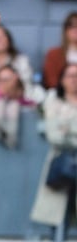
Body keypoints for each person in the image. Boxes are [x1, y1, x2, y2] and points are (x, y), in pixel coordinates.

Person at [31, 63, 77, 228]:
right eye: (70, 76)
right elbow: (54, 135)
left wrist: (68, 128)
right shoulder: (53, 99)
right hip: (62, 160)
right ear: (62, 80)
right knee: (58, 214)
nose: (74, 80)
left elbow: (62, 131)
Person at [44, 13, 77, 89]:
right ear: (65, 31)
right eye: (71, 26)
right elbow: (51, 81)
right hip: (61, 95)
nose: (75, 29)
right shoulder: (54, 54)